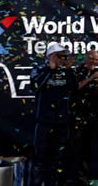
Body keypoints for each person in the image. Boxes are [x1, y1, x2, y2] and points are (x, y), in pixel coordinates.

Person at [30, 42, 78, 186]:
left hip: (62, 123)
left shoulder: (66, 72)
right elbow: (35, 87)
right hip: (44, 122)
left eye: (65, 56)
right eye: (60, 56)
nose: (63, 59)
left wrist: (69, 71)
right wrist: (49, 70)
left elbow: (74, 89)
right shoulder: (38, 69)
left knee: (58, 159)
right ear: (50, 56)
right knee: (40, 159)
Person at [70, 49, 98, 186]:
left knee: (90, 150)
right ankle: (78, 181)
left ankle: (90, 180)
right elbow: (75, 88)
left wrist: (97, 82)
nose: (94, 62)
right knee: (77, 150)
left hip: (94, 117)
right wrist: (91, 79)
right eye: (91, 58)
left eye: (96, 60)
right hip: (78, 118)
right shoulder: (77, 71)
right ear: (86, 58)